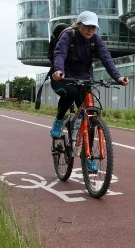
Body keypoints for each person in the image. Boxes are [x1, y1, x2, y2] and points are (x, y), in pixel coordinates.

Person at [49, 11, 129, 170]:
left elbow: (106, 58)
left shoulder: (95, 40)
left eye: (93, 27)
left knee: (90, 117)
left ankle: (88, 158)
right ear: (79, 25)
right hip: (64, 77)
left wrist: (118, 77)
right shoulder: (68, 36)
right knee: (70, 93)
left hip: (84, 79)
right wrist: (58, 70)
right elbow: (60, 53)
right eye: (87, 26)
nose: (90, 30)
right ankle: (58, 121)